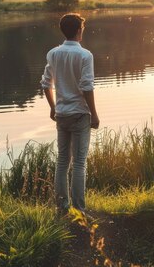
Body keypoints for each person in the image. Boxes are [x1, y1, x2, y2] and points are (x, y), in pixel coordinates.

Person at [40, 13, 100, 214]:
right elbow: (87, 87)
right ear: (78, 31)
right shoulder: (85, 55)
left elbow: (45, 84)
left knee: (62, 160)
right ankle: (79, 210)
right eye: (82, 28)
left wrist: (53, 107)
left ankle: (62, 207)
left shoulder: (53, 53)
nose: (83, 31)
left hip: (62, 114)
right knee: (80, 163)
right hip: (80, 114)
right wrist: (94, 114)